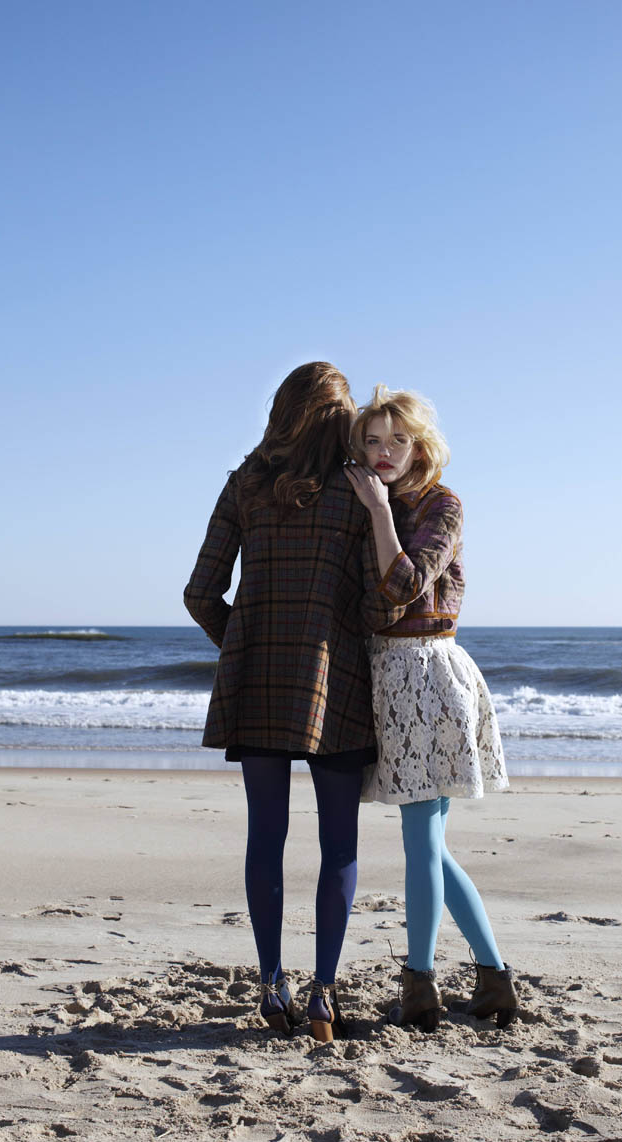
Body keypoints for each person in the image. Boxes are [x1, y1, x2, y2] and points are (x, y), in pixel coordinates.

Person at [184, 362, 391, 1042]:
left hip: (260, 685)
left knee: (265, 837)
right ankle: (323, 996)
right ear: (342, 420)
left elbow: (200, 593)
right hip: (337, 689)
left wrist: (241, 640)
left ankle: (272, 987)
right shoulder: (357, 492)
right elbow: (378, 605)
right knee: (339, 846)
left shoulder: (244, 484)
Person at [345, 384, 518, 1032]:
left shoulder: (441, 505)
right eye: (372, 441)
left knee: (422, 839)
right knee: (431, 846)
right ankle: (495, 977)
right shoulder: (363, 502)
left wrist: (381, 513)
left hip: (428, 673)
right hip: (384, 675)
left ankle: (419, 987)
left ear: (419, 444)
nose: (385, 452)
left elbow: (404, 584)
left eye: (397, 440)